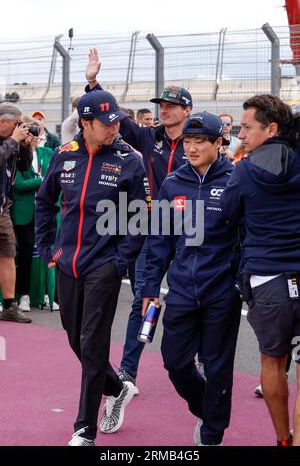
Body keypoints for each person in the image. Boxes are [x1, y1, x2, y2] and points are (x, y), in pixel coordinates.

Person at [35, 89, 148, 446]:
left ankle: (84, 429)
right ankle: (117, 388)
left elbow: (140, 215)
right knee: (75, 338)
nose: (114, 128)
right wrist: (47, 249)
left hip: (105, 263)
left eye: (116, 120)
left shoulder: (130, 158)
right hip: (68, 262)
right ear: (85, 124)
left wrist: (121, 261)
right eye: (105, 123)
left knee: (93, 342)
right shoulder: (63, 155)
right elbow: (44, 202)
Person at [85, 47, 193, 391]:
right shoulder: (147, 136)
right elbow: (111, 118)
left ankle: (201, 360)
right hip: (150, 229)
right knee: (143, 300)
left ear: (187, 111)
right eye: (161, 105)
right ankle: (128, 371)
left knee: (196, 295)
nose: (164, 110)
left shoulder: (200, 140)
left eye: (171, 106)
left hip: (192, 230)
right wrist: (93, 82)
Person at [142, 112, 242, 446]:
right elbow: (160, 240)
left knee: (217, 365)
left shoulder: (236, 180)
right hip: (182, 288)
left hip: (222, 290)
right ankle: (208, 410)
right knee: (175, 362)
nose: (192, 148)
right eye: (187, 141)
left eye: (200, 141)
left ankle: (212, 434)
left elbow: (247, 236)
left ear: (219, 143)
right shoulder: (173, 182)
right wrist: (150, 287)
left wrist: (239, 281)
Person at [220, 94, 300, 446]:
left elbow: (228, 213)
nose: (240, 134)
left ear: (271, 129)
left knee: (272, 360)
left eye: (247, 127)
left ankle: (284, 439)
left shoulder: (245, 170)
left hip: (268, 278)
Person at [0, 102, 32, 323]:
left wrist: (25, 146)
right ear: (2, 121)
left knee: (8, 253)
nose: (20, 127)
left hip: (2, 207)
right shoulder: (7, 142)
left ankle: (10, 306)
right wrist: (14, 141)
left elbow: (24, 168)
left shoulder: (11, 143)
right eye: (16, 123)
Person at [10, 116, 42, 312]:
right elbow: (19, 184)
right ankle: (8, 297)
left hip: (31, 214)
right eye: (29, 129)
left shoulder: (34, 153)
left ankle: (24, 296)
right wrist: (41, 180)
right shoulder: (9, 147)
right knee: (8, 257)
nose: (33, 135)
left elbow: (24, 169)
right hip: (13, 212)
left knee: (26, 257)